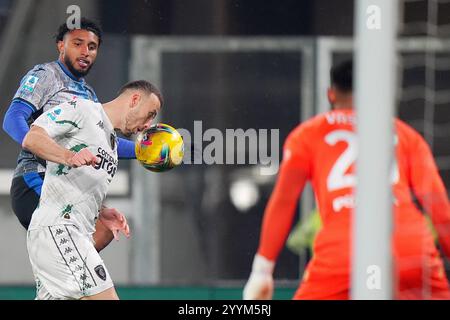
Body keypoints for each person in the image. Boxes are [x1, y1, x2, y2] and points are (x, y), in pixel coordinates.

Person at [243, 60, 450, 300]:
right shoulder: (406, 135)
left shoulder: (308, 134)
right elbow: (439, 208)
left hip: (345, 251)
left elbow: (284, 201)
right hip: (411, 250)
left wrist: (262, 271)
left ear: (331, 93)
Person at [2, 18, 136, 251]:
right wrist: (45, 147)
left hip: (66, 187)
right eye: (77, 43)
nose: (85, 52)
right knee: (76, 256)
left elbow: (105, 144)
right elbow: (13, 119)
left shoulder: (88, 94)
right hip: (37, 180)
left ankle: (57, 288)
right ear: (60, 45)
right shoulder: (46, 75)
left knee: (97, 236)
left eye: (92, 47)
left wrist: (142, 151)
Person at [22, 80, 162, 300]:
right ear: (134, 100)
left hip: (69, 235)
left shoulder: (112, 145)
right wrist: (69, 156)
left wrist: (99, 210)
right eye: (150, 114)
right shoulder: (83, 109)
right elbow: (32, 137)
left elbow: (76, 184)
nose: (148, 124)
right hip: (59, 230)